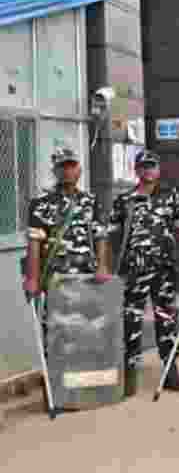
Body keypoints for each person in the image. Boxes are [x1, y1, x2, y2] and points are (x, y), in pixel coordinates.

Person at [23, 147, 113, 409]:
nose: (68, 170)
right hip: (56, 279)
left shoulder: (89, 201)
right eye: (62, 166)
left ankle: (80, 390)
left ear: (79, 169)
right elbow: (35, 243)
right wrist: (32, 277)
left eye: (72, 165)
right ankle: (56, 393)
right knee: (56, 334)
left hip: (85, 277)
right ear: (55, 170)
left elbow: (101, 236)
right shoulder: (41, 203)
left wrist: (103, 267)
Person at [110, 150, 179, 396]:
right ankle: (130, 372)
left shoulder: (171, 197)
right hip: (135, 270)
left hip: (164, 270)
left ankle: (170, 370)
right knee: (131, 319)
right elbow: (113, 235)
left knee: (166, 318)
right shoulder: (124, 200)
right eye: (143, 166)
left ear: (159, 170)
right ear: (136, 170)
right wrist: (117, 264)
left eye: (152, 166)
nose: (147, 171)